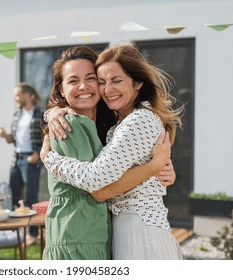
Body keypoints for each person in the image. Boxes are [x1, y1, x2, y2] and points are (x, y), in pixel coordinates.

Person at [41, 44, 183, 259]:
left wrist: (48, 158)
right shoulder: (113, 123)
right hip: (106, 231)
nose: (107, 89)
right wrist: (51, 113)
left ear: (138, 82)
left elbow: (98, 186)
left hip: (139, 229)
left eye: (116, 81)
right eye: (102, 81)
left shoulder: (137, 120)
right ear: (61, 89)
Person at [0, 82, 44, 245]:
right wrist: (5, 135)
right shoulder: (17, 114)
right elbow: (14, 140)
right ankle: (18, 229)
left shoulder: (39, 115)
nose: (15, 98)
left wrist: (38, 155)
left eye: (17, 94)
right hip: (16, 158)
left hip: (30, 159)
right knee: (14, 194)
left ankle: (33, 234)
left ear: (27, 95)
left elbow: (47, 137)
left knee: (31, 196)